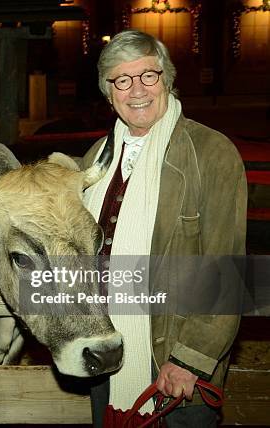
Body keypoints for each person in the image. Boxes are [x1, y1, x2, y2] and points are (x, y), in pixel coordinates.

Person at [82, 30, 246, 427]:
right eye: (121, 79)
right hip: (106, 354)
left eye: (148, 76)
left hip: (174, 368)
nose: (136, 89)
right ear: (109, 92)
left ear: (167, 80)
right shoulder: (94, 161)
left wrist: (190, 359)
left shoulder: (210, 152)